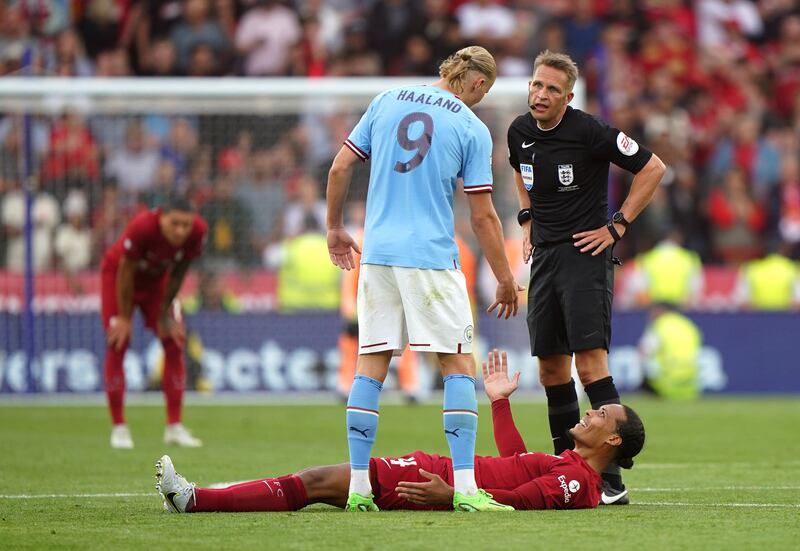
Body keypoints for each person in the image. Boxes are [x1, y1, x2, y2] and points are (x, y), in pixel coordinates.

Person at [326, 46, 522, 512]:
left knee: (370, 364)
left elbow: (339, 167)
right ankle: (468, 490)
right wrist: (504, 276)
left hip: (377, 256)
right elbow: (483, 216)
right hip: (431, 258)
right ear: (478, 84)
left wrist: (335, 227)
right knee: (456, 365)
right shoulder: (472, 128)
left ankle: (357, 488)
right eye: (486, 90)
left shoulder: (386, 100)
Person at [154, 350, 646, 513]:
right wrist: (498, 403)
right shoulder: (574, 469)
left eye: (602, 415)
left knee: (317, 482)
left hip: (439, 479)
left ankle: (196, 500)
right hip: (446, 473)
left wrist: (451, 495)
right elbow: (517, 465)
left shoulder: (577, 483)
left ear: (613, 440)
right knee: (319, 481)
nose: (589, 413)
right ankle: (197, 498)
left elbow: (517, 500)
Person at [506, 50, 665, 505]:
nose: (540, 94)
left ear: (568, 96)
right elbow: (521, 172)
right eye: (537, 85)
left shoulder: (590, 131)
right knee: (551, 368)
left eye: (552, 89)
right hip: (545, 260)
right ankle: (565, 471)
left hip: (585, 256)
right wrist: (526, 218)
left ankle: (609, 480)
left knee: (590, 364)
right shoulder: (518, 130)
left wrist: (617, 226)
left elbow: (653, 168)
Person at [101, 195, 207, 449]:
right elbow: (126, 271)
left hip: (157, 283)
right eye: (175, 224)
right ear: (161, 219)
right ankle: (119, 428)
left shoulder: (199, 231)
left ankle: (174, 427)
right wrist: (125, 318)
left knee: (174, 340)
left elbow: (180, 271)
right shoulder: (142, 227)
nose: (181, 230)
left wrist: (163, 313)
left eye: (186, 224)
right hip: (118, 278)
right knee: (119, 341)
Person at [639, 303, 703, 400]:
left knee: (646, 363)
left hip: (666, 386)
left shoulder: (660, 325)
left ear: (660, 311)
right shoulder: (688, 325)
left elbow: (644, 351)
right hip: (690, 387)